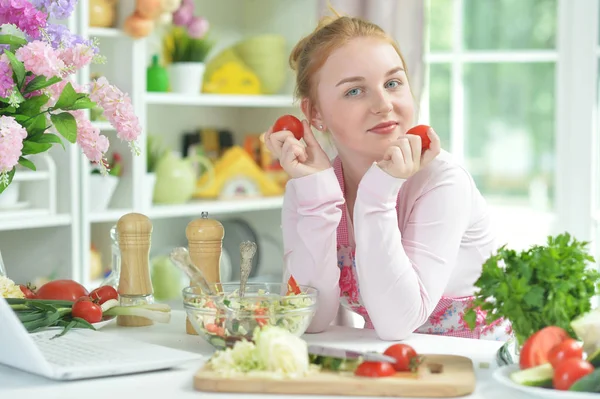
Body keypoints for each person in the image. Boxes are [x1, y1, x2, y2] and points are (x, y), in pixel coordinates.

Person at [264, 11, 512, 341]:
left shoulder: (442, 182)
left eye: (392, 83)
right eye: (354, 91)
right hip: (395, 369)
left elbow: (399, 322)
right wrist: (317, 193)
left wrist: (378, 193)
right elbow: (310, 320)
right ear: (314, 113)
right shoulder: (312, 188)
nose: (384, 104)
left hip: (476, 371)